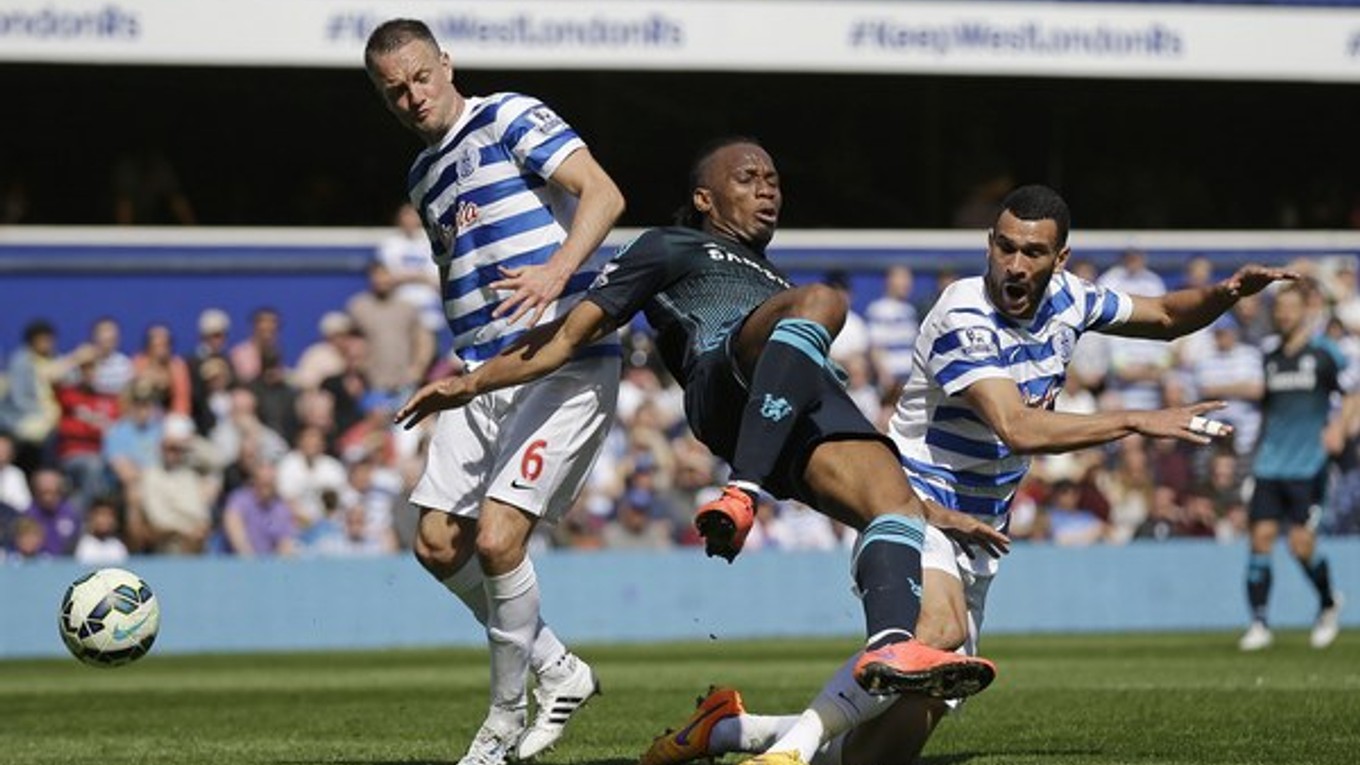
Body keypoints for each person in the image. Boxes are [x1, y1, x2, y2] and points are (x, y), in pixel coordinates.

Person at [393, 137, 1007, 765]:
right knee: (825, 301)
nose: (768, 188)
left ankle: (788, 701)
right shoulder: (668, 245)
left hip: (800, 393)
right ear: (704, 197)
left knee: (900, 520)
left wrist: (931, 511)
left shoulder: (774, 278)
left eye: (773, 178)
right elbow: (569, 335)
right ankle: (744, 492)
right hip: (726, 370)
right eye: (748, 177)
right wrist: (470, 382)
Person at [636, 184, 1297, 765]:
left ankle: (726, 728)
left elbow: (1164, 316)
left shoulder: (1070, 298)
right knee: (938, 633)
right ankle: (791, 750)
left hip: (980, 531)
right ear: (989, 244)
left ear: (1059, 260)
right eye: (1004, 247)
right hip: (917, 501)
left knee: (883, 745)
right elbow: (1017, 426)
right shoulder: (963, 315)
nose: (1014, 264)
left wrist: (1222, 295)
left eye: (1032, 253)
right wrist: (1138, 420)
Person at [365, 18, 627, 765]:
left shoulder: (509, 114)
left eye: (420, 76)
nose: (413, 97)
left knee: (498, 537)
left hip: (561, 359)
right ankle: (558, 667)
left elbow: (603, 194)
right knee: (436, 542)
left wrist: (555, 273)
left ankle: (504, 721)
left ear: (446, 64)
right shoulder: (422, 178)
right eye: (395, 92)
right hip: (483, 373)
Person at [1239, 282, 1349, 651]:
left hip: (1308, 466)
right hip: (1270, 464)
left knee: (1301, 545)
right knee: (1260, 540)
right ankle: (1259, 623)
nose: (1283, 314)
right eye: (1279, 308)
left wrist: (1337, 427)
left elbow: (1353, 393)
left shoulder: (1324, 353)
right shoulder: (1269, 356)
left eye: (1290, 307)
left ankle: (1329, 602)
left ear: (1306, 310)